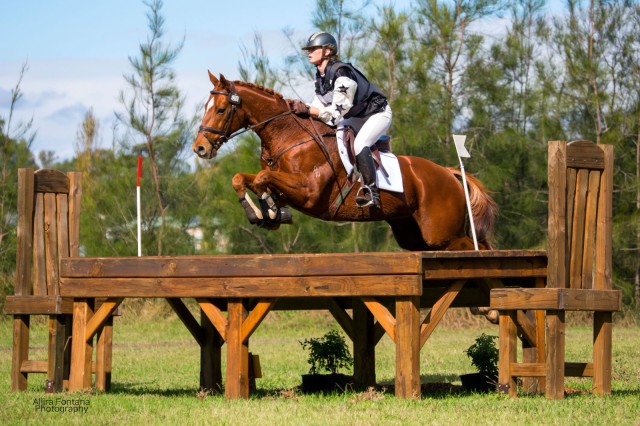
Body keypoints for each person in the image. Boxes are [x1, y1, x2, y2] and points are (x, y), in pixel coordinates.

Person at [292, 31, 392, 209]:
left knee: (360, 144)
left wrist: (308, 109)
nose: (309, 52)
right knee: (333, 135)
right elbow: (319, 106)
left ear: (327, 51)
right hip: (355, 116)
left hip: (377, 114)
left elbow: (333, 115)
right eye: (309, 49)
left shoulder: (342, 73)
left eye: (314, 49)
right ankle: (347, 177)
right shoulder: (321, 77)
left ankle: (371, 191)